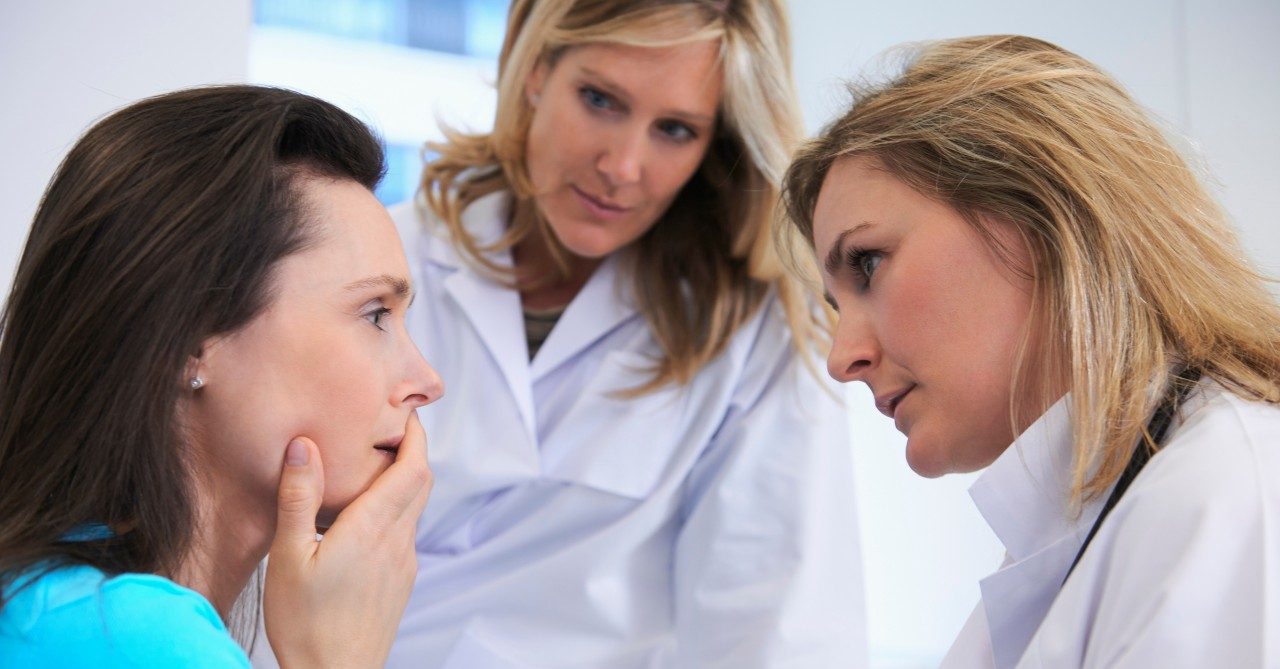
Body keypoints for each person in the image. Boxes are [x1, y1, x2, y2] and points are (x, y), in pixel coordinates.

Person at [363, 0, 866, 666]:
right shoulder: (382, 261)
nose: (623, 165)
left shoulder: (752, 334)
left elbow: (776, 628)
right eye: (600, 99)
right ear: (537, 68)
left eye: (676, 130)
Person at [781, 34, 1280, 668]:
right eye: (834, 306)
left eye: (869, 264)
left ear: (1041, 213)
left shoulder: (1228, 493)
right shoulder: (1086, 529)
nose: (841, 357)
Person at [0, 85, 443, 667]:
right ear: (190, 338)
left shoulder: (53, 607)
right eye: (375, 313)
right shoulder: (137, 640)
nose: (426, 381)